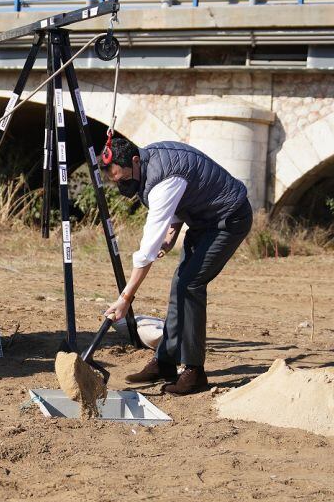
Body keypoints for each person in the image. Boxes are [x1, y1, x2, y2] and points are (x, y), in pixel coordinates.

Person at [101, 138, 253, 395]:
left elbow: (147, 249)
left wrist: (125, 298)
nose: (118, 183)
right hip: (204, 221)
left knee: (190, 285)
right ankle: (165, 361)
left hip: (229, 219)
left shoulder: (163, 180)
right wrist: (174, 229)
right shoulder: (153, 161)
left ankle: (195, 372)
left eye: (120, 176)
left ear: (135, 161)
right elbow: (189, 190)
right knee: (180, 283)